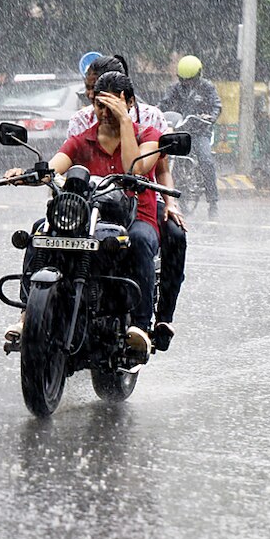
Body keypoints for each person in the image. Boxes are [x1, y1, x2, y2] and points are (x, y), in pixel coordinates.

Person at [3, 71, 163, 360]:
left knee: (139, 240)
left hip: (137, 216)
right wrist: (26, 175)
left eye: (112, 105)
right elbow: (53, 169)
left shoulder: (148, 136)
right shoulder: (81, 140)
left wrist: (125, 122)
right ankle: (28, 315)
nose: (104, 113)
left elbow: (134, 170)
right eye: (99, 106)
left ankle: (141, 327)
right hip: (86, 219)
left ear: (129, 102)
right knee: (40, 231)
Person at [68, 53, 186, 351]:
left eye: (101, 91)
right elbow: (68, 165)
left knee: (171, 235)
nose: (95, 99)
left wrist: (171, 204)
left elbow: (159, 170)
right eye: (92, 92)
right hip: (93, 202)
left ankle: (159, 320)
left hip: (144, 199)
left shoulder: (150, 122)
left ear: (125, 95)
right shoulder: (81, 123)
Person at [160, 54, 222, 219]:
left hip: (200, 132)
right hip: (179, 131)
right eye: (183, 80)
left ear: (198, 75)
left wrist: (210, 116)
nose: (187, 83)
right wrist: (155, 111)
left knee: (206, 160)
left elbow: (216, 105)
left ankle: (213, 202)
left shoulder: (207, 87)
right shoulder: (175, 88)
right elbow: (164, 104)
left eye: (190, 80)